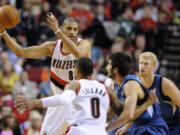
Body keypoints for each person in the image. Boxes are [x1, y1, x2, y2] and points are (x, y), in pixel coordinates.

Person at [0, 13, 91, 135]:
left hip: (77, 100)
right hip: (57, 101)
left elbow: (78, 54)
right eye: (68, 28)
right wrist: (3, 33)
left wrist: (58, 31)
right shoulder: (52, 47)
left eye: (75, 29)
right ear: (63, 28)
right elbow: (21, 52)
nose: (72, 32)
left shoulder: (83, 44)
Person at [15, 57, 157, 135]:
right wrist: (147, 103)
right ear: (92, 72)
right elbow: (126, 114)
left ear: (76, 72)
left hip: (80, 131)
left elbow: (64, 100)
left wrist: (34, 102)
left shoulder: (76, 85)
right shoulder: (107, 90)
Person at [105, 52, 168, 135]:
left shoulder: (131, 84)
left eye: (109, 64)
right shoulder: (115, 86)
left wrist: (106, 130)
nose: (106, 67)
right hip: (137, 125)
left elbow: (128, 115)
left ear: (115, 70)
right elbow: (111, 115)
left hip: (153, 127)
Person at [138, 52, 180, 135]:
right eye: (140, 63)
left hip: (173, 127)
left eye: (146, 64)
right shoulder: (135, 85)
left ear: (154, 66)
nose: (142, 66)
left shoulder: (165, 84)